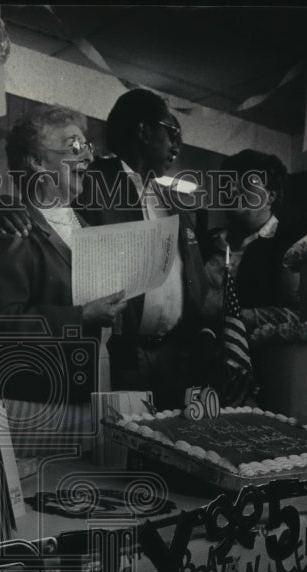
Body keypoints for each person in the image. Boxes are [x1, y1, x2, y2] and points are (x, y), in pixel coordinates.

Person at [0, 105, 127, 404]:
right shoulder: (9, 224)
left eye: (87, 146)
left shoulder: (88, 227)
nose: (89, 156)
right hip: (33, 404)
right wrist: (82, 316)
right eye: (74, 146)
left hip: (89, 392)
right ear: (37, 160)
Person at [75, 89, 208, 408]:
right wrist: (4, 209)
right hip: (121, 357)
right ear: (143, 131)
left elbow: (191, 274)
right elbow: (38, 202)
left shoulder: (172, 201)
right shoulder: (89, 182)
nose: (178, 143)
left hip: (174, 356)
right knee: (124, 449)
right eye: (171, 131)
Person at [199, 149, 301, 329]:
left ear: (271, 195)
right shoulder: (205, 242)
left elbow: (301, 313)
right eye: (226, 182)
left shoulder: (293, 243)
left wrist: (236, 317)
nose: (231, 189)